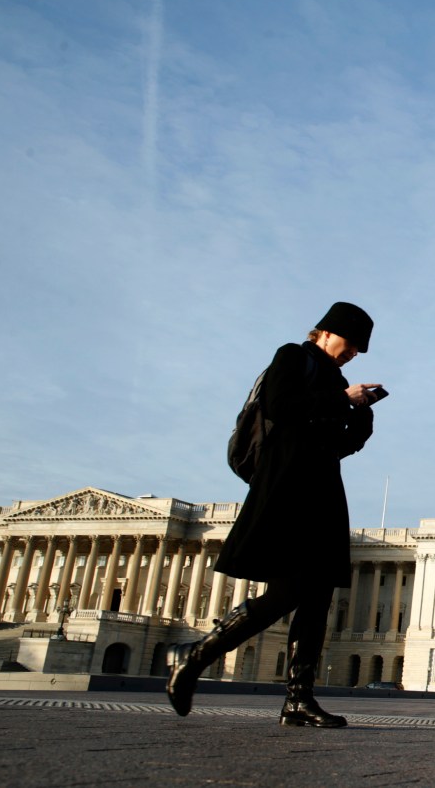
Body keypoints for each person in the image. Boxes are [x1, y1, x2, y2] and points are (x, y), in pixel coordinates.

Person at [166, 302, 382, 728]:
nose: (352, 353)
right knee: (287, 593)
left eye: (358, 350)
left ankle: (298, 700)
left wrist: (361, 417)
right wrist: (341, 398)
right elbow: (281, 406)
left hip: (323, 489)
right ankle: (194, 657)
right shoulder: (292, 356)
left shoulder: (335, 379)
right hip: (288, 487)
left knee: (319, 596)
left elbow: (338, 445)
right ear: (325, 332)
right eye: (350, 344)